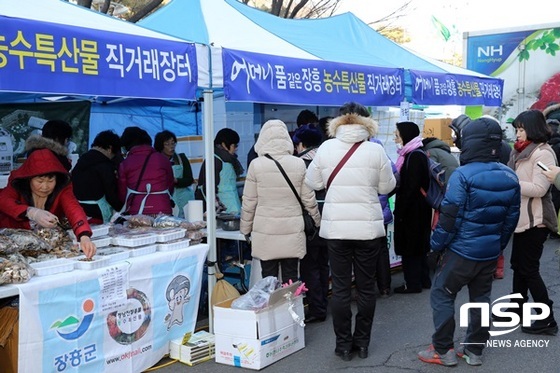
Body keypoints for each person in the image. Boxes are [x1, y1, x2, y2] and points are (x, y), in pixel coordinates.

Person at [418, 117, 520, 367]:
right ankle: (474, 351)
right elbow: (510, 221)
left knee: (442, 294)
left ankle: (443, 350)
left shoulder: (463, 175)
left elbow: (449, 219)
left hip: (461, 252)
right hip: (489, 251)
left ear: (471, 142)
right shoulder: (510, 175)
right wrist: (497, 246)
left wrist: (435, 245)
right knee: (481, 300)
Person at [306, 102, 396, 361]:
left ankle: (343, 346)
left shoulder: (326, 147)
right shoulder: (375, 150)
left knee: (342, 288)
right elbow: (386, 186)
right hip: (367, 230)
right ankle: (363, 344)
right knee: (367, 288)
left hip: (336, 230)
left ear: (339, 120)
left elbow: (313, 182)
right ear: (364, 120)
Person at [240, 120, 320, 284]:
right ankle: (290, 309)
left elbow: (249, 202)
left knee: (268, 280)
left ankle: (271, 308)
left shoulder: (256, 165)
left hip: (265, 231)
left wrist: (245, 229)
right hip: (292, 230)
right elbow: (308, 199)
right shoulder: (298, 163)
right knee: (291, 279)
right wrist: (317, 221)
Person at [501, 109, 558, 336]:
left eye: (521, 129)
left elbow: (540, 188)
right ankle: (516, 308)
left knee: (529, 270)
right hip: (522, 219)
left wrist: (511, 182)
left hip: (536, 222)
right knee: (518, 266)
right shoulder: (520, 152)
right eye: (516, 129)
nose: (517, 134)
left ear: (532, 129)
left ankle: (547, 320)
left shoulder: (543, 155)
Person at [0, 149, 96, 258]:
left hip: (46, 245)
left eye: (50, 181)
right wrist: (31, 212)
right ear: (29, 179)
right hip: (10, 243)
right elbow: (3, 200)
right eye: (40, 181)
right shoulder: (17, 184)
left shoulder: (62, 187)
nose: (45, 187)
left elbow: (73, 208)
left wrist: (84, 235)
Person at [449, 114, 511, 279]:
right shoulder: (503, 150)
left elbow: (453, 209)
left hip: (483, 195)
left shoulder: (465, 171)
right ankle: (495, 268)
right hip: (499, 194)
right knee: (494, 229)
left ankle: (486, 268)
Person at [293, 124, 329, 323]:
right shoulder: (327, 160)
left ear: (301, 144)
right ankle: (323, 300)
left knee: (310, 266)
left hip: (310, 220)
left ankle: (317, 307)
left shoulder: (300, 164)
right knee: (324, 263)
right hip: (331, 217)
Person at [393, 121, 432, 294]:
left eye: (397, 134)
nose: (395, 137)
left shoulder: (413, 156)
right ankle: (423, 279)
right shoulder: (416, 153)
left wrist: (400, 210)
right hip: (419, 208)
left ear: (406, 135)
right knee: (419, 246)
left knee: (411, 247)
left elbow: (411, 186)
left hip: (413, 210)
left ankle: (413, 283)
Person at [118, 126, 175, 216]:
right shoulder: (163, 159)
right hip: (162, 209)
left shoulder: (125, 163)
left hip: (137, 211)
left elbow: (123, 193)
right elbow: (170, 185)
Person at [71, 130, 123, 224]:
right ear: (110, 148)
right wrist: (122, 209)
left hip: (78, 210)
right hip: (97, 212)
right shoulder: (105, 165)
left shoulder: (82, 160)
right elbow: (111, 194)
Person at [370, 137, 398, 298]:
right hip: (381, 210)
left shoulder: (346, 147)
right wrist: (384, 194)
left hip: (364, 210)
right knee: (381, 250)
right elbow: (395, 176)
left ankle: (364, 289)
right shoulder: (377, 146)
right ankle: (385, 287)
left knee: (361, 252)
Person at [195, 128, 244, 214]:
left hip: (234, 206)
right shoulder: (214, 160)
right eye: (234, 145)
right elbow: (208, 188)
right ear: (224, 144)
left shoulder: (229, 159)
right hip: (223, 211)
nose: (236, 149)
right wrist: (218, 208)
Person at [154, 130, 195, 218]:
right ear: (160, 146)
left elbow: (189, 179)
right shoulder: (156, 161)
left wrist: (176, 180)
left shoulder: (181, 158)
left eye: (173, 143)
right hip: (165, 199)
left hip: (185, 199)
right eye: (167, 144)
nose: (171, 147)